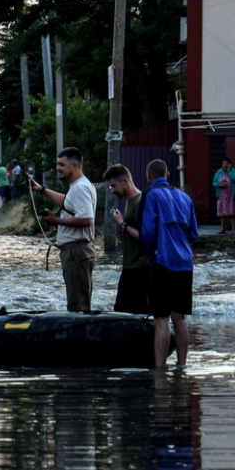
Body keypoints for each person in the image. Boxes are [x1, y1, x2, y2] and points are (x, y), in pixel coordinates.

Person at [140, 159, 198, 368]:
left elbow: (148, 232)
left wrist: (149, 252)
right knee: (179, 318)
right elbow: (193, 233)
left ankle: (160, 368)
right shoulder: (185, 197)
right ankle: (182, 365)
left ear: (149, 176)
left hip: (162, 261)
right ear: (168, 175)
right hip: (185, 263)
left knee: (161, 319)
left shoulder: (150, 195)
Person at [26, 147, 97, 312]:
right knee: (77, 303)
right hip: (76, 252)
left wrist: (56, 220)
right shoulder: (78, 186)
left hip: (76, 252)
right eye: (57, 164)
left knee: (77, 306)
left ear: (74, 166)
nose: (58, 168)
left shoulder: (80, 188)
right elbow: (67, 202)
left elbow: (87, 220)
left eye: (62, 165)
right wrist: (42, 189)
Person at [104, 164, 150, 314]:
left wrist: (122, 224)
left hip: (141, 267)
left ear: (124, 181)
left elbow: (144, 236)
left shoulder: (140, 201)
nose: (112, 190)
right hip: (129, 265)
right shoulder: (129, 201)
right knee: (120, 309)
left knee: (140, 311)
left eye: (113, 186)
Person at [212, 157, 235, 234]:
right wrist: (219, 185)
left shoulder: (233, 171)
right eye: (223, 163)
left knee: (232, 212)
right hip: (221, 195)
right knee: (221, 212)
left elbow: (234, 178)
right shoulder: (219, 172)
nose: (225, 165)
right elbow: (214, 182)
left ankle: (233, 229)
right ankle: (222, 229)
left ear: (230, 164)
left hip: (231, 195)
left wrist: (229, 171)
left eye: (226, 163)